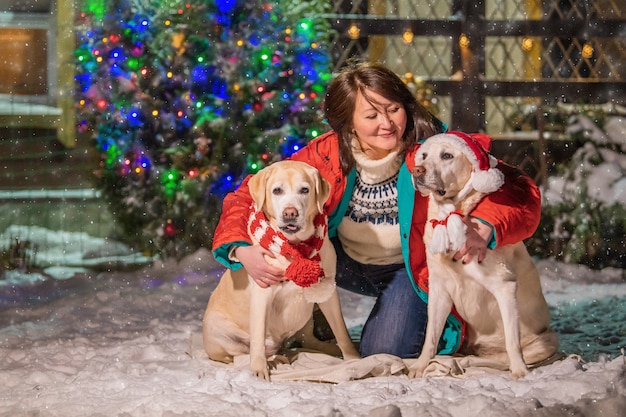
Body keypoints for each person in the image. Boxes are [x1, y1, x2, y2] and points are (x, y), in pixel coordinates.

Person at [211, 61, 541, 358]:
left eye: (393, 109)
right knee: (297, 249)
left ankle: (413, 316)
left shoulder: (436, 147)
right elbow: (246, 196)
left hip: (407, 267)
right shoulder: (325, 155)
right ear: (348, 124)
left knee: (382, 351)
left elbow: (516, 187)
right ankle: (309, 321)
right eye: (371, 116)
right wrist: (241, 249)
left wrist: (486, 225)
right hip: (346, 261)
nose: (387, 124)